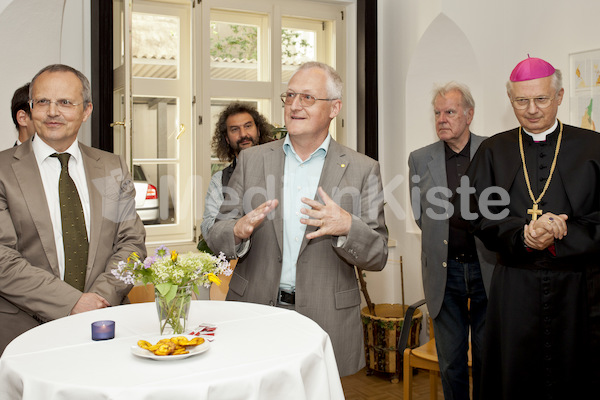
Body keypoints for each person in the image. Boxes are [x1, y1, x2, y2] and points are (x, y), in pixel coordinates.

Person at [206, 61, 388, 377]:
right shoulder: (252, 161)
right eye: (290, 96)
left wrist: (348, 226)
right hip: (255, 310)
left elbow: (379, 253)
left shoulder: (363, 169)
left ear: (335, 108)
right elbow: (217, 234)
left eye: (307, 97)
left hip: (326, 317)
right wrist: (236, 230)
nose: (294, 105)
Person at [466, 56, 600, 399]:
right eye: (521, 101)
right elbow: (474, 212)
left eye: (541, 99)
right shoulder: (493, 150)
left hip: (578, 288)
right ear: (510, 101)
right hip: (515, 286)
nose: (532, 110)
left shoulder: (593, 147)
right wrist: (521, 233)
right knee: (515, 378)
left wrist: (561, 232)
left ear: (559, 96)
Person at [0, 64, 147, 355]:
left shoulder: (111, 167)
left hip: (106, 324)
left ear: (86, 110)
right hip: (25, 334)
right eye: (43, 102)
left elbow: (131, 244)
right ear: (30, 110)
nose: (53, 112)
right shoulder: (3, 170)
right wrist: (71, 303)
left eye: (65, 102)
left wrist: (99, 299)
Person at [408, 82, 495, 400]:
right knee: (451, 362)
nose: (442, 118)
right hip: (445, 275)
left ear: (469, 115)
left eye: (450, 112)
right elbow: (420, 215)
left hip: (487, 270)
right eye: (437, 113)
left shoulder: (494, 150)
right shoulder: (419, 159)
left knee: (488, 357)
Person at [200, 102, 272, 240]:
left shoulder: (279, 166)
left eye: (248, 126)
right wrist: (236, 227)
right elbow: (208, 228)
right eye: (234, 129)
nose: (243, 134)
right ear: (226, 139)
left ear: (258, 129)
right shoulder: (219, 180)